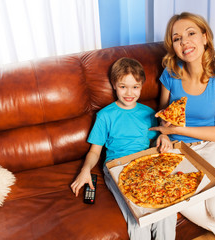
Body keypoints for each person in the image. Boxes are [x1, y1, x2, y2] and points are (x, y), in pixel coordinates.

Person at [149, 12, 215, 240]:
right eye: (177, 38)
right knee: (177, 201)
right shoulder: (171, 73)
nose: (184, 42)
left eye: (191, 33)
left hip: (214, 145)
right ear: (173, 46)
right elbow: (165, 115)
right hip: (179, 150)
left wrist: (177, 131)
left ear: (205, 37)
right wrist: (164, 134)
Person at [71, 57, 177, 240]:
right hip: (117, 166)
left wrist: (163, 137)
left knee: (167, 210)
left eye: (135, 87)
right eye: (123, 86)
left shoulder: (149, 114)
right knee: (138, 214)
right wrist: (85, 170)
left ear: (142, 86)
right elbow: (95, 151)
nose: (129, 92)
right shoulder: (105, 116)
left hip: (145, 162)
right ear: (114, 85)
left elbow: (155, 142)